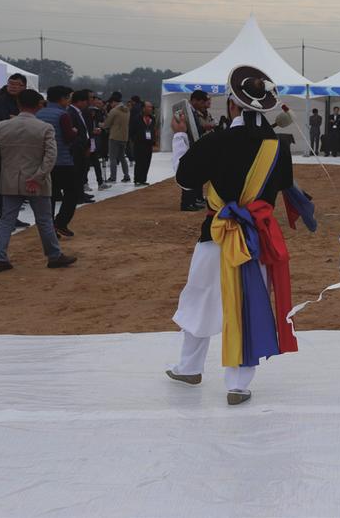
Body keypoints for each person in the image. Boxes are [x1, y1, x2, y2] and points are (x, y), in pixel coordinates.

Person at [166, 65, 316, 406]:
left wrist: (179, 138)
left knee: (199, 298)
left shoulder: (216, 140)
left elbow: (185, 179)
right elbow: (279, 186)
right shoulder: (277, 147)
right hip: (255, 236)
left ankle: (189, 367)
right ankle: (238, 384)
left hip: (216, 233)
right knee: (250, 303)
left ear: (232, 104)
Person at [0, 89, 77, 273]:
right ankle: (54, 256)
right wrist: (38, 177)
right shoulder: (45, 128)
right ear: (38, 105)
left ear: (19, 104)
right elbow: (50, 157)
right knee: (44, 220)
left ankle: (0, 258)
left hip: (10, 181)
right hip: (36, 181)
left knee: (6, 220)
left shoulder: (3, 126)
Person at [0, 73, 29, 225]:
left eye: (17, 84)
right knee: (1, 186)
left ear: (24, 86)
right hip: (3, 149)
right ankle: (0, 219)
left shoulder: (24, 100)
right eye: (11, 84)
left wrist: (15, 118)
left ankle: (11, 217)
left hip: (20, 149)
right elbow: (1, 123)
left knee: (15, 186)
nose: (13, 87)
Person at [36, 86, 81, 237]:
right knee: (72, 193)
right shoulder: (63, 115)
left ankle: (49, 229)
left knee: (49, 196)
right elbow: (68, 137)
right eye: (68, 97)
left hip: (43, 162)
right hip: (62, 160)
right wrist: (74, 132)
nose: (69, 101)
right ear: (62, 98)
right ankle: (61, 223)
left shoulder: (39, 114)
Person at [102, 92, 131, 183]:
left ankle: (113, 177)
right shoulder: (127, 110)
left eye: (111, 103)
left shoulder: (114, 111)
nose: (110, 105)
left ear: (114, 102)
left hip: (114, 136)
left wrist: (100, 124)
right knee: (122, 157)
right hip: (124, 136)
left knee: (113, 157)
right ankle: (126, 176)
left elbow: (107, 124)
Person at [131, 101, 156, 185]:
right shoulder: (137, 118)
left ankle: (143, 179)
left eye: (151, 107)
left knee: (146, 162)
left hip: (148, 144)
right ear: (143, 108)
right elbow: (132, 130)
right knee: (139, 162)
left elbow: (153, 130)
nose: (150, 109)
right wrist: (135, 139)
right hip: (139, 143)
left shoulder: (152, 118)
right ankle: (137, 179)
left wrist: (153, 140)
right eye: (148, 107)